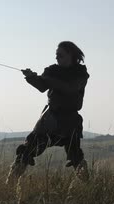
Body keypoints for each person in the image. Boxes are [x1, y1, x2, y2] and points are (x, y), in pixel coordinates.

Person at [6, 41, 89, 184]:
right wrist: (32, 77)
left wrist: (49, 80)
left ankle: (88, 186)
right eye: (56, 55)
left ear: (71, 55)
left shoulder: (80, 73)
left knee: (75, 155)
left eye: (60, 55)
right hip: (50, 118)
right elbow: (42, 86)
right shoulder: (51, 70)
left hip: (70, 120)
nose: (57, 58)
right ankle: (11, 182)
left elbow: (70, 88)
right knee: (28, 149)